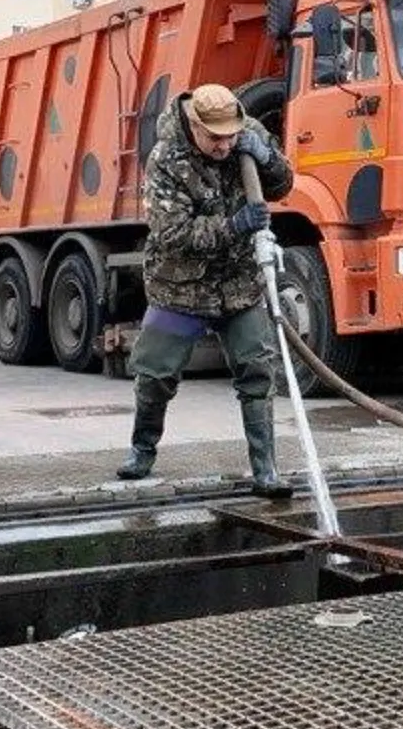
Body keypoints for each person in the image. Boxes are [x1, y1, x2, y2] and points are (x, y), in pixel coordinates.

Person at [115, 83, 297, 496]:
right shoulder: (165, 159)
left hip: (239, 284)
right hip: (180, 286)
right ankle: (142, 451)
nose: (225, 144)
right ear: (195, 125)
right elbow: (173, 233)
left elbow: (283, 184)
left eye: (231, 135)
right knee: (156, 374)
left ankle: (265, 469)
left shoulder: (246, 134)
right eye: (216, 138)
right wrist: (234, 226)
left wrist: (267, 158)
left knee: (257, 370)